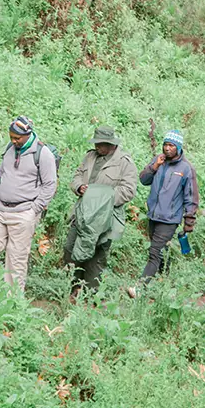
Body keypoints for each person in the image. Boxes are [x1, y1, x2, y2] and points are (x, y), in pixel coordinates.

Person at [0, 116, 57, 292]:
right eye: (11, 136)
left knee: (16, 258)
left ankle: (12, 302)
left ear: (28, 134)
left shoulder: (42, 154)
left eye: (17, 138)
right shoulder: (10, 148)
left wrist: (34, 210)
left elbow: (50, 185)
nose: (13, 140)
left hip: (24, 212)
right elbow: (0, 176)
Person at [64, 125, 137, 298]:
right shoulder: (90, 156)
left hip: (106, 217)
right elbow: (77, 175)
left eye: (101, 144)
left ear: (111, 144)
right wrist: (79, 187)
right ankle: (74, 286)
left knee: (96, 256)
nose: (97, 147)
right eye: (96, 143)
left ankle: (91, 294)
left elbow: (128, 190)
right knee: (70, 248)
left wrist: (100, 198)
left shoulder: (124, 162)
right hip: (82, 213)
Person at [127, 130, 198, 298]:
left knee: (154, 251)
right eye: (165, 145)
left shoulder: (186, 169)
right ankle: (165, 281)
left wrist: (189, 220)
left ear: (179, 148)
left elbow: (191, 196)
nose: (167, 149)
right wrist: (155, 166)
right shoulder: (158, 161)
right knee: (161, 251)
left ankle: (140, 287)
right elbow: (144, 180)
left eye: (171, 145)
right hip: (153, 215)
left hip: (170, 218)